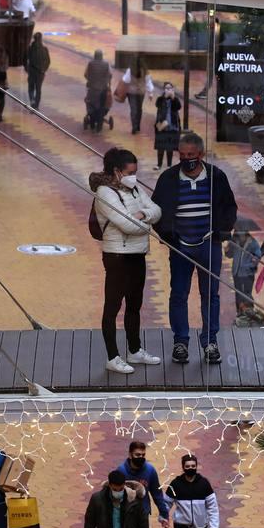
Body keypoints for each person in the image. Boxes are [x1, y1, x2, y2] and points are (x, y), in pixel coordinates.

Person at [151, 132, 239, 366]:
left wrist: (222, 230)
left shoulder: (216, 177)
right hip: (180, 248)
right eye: (182, 155)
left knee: (210, 295)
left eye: (191, 155)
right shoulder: (168, 178)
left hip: (209, 245)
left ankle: (210, 342)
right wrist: (167, 235)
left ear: (200, 154)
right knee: (178, 293)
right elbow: (156, 210)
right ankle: (181, 342)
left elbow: (229, 207)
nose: (186, 159)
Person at [91, 148, 163, 375]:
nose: (134, 176)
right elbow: (127, 225)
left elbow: (157, 209)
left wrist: (142, 216)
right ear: (117, 171)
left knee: (135, 304)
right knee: (113, 306)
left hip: (137, 253)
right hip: (117, 256)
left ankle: (134, 350)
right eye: (131, 172)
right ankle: (112, 357)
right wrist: (146, 219)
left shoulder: (134, 189)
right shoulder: (104, 193)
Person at [226, 226, 262, 313]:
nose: (238, 234)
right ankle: (239, 312)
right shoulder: (234, 242)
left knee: (247, 293)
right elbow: (229, 255)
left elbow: (258, 255)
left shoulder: (252, 242)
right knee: (238, 294)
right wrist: (227, 250)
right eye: (237, 233)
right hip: (236, 272)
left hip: (248, 273)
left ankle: (249, 312)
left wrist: (250, 265)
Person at [153, 82, 182, 169]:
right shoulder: (160, 99)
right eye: (166, 88)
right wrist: (165, 98)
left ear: (173, 90)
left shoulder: (175, 100)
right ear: (164, 89)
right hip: (161, 125)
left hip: (172, 126)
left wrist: (173, 98)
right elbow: (157, 105)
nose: (168, 90)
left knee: (170, 147)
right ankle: (159, 164)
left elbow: (178, 107)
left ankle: (169, 165)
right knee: (160, 147)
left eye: (170, 88)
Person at [122, 57, 155, 135]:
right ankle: (137, 126)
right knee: (139, 108)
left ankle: (134, 126)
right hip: (141, 92)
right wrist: (150, 93)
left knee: (133, 108)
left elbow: (125, 80)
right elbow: (148, 82)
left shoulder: (130, 70)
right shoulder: (145, 71)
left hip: (131, 92)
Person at [85, 50, 113, 132]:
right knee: (101, 107)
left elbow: (86, 74)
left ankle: (92, 123)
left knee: (91, 105)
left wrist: (90, 80)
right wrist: (107, 83)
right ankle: (99, 125)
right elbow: (109, 75)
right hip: (102, 90)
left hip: (92, 89)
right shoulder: (106, 64)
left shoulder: (90, 64)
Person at [26, 32, 51, 110]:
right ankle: (34, 103)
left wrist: (44, 70)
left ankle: (35, 104)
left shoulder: (43, 49)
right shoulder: (31, 49)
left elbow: (47, 61)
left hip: (38, 72)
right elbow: (25, 60)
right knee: (33, 88)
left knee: (36, 89)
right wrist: (28, 69)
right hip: (35, 72)